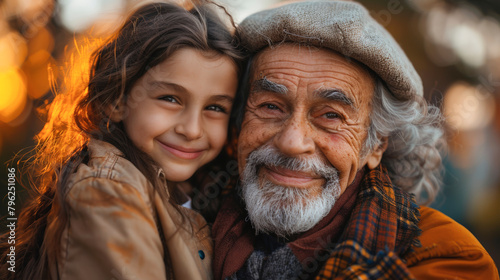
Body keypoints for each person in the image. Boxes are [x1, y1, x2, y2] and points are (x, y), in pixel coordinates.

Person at [212, 1, 499, 279]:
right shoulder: (188, 223)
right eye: (270, 106)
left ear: (376, 145)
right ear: (238, 124)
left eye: (331, 116)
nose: (292, 142)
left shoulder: (449, 257)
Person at [0, 1, 243, 280]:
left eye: (215, 107)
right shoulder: (108, 194)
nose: (191, 129)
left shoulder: (196, 195)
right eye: (170, 98)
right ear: (117, 100)